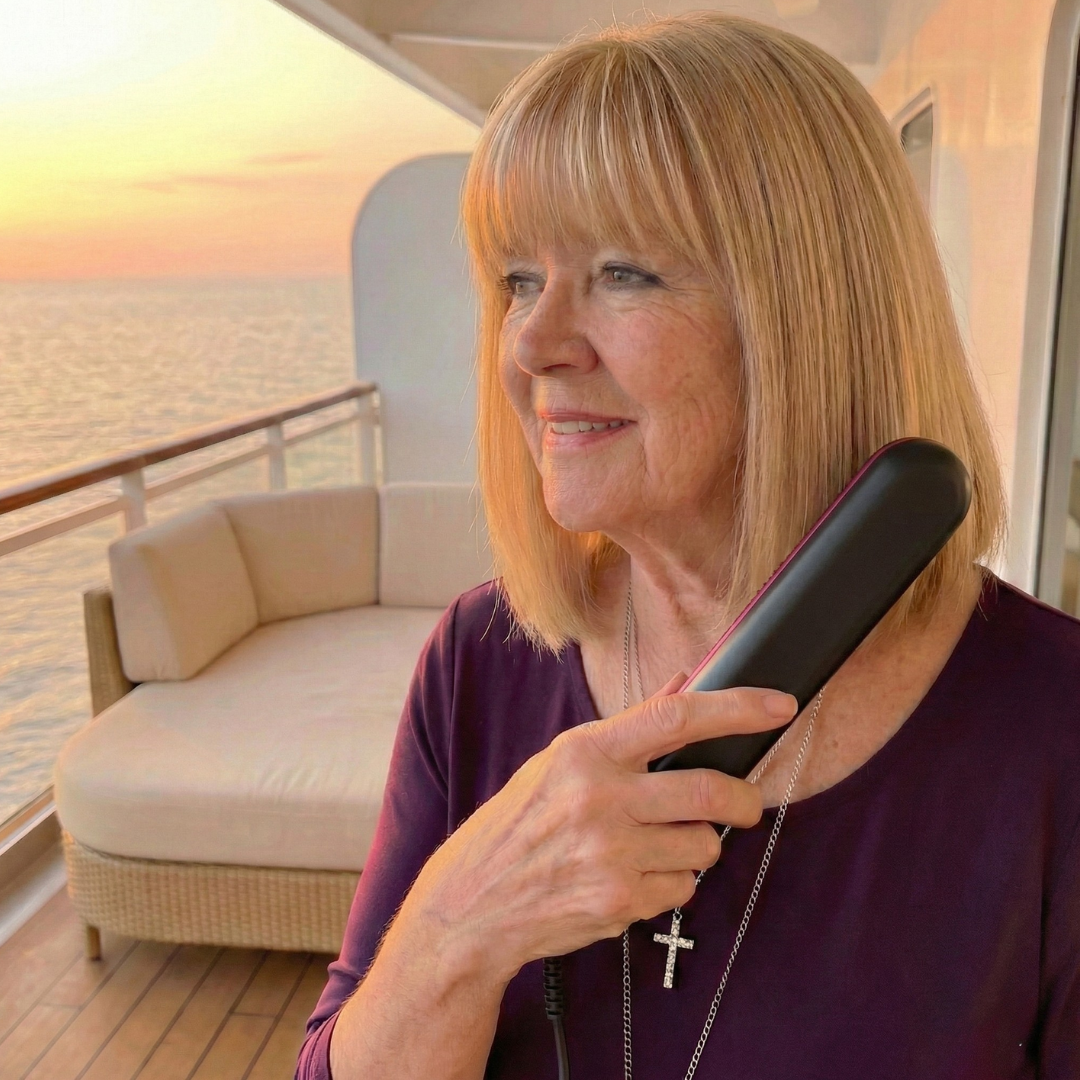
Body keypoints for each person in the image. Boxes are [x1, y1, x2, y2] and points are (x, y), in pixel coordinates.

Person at [297, 13, 1080, 1079]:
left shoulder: (1053, 724)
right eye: (519, 279)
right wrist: (457, 931)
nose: (528, 343)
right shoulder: (479, 663)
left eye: (624, 272)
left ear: (810, 313)